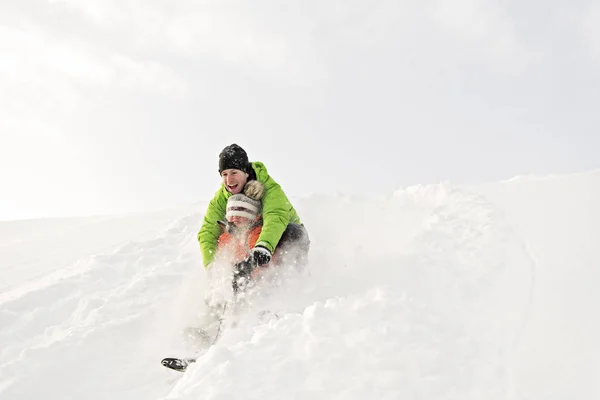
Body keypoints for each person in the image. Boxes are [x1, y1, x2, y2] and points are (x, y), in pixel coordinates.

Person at [197, 144, 310, 285]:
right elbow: (208, 230)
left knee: (292, 233)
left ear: (245, 172)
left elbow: (276, 216)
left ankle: (290, 284)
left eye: (234, 173)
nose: (229, 180)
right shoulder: (222, 198)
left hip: (281, 236)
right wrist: (213, 268)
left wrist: (264, 246)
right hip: (249, 239)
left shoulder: (270, 188)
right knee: (230, 248)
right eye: (224, 174)